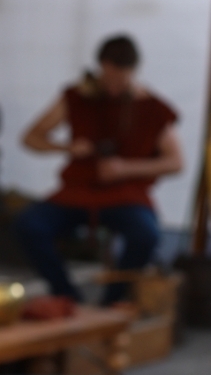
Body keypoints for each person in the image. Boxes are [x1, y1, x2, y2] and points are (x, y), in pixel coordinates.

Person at [16, 34, 183, 304]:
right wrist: (67, 148)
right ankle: (65, 294)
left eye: (120, 80)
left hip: (126, 194)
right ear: (101, 68)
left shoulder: (152, 107)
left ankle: (112, 301)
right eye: (108, 78)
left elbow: (176, 162)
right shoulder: (78, 97)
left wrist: (126, 168)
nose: (113, 87)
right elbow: (30, 137)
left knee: (146, 234)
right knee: (29, 225)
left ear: (132, 72)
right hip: (78, 191)